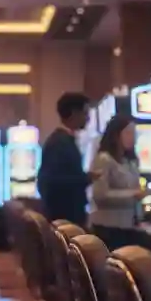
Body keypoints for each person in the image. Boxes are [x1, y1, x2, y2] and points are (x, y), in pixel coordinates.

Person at [89, 113, 145, 251]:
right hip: (108, 228)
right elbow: (99, 195)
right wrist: (131, 195)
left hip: (129, 225)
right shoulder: (104, 159)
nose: (133, 137)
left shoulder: (130, 162)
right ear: (115, 135)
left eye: (134, 133)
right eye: (128, 133)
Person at [37, 92, 92, 227]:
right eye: (85, 113)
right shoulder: (60, 143)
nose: (88, 118)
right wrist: (86, 178)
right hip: (65, 216)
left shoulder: (61, 140)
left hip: (64, 215)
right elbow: (53, 181)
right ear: (74, 113)